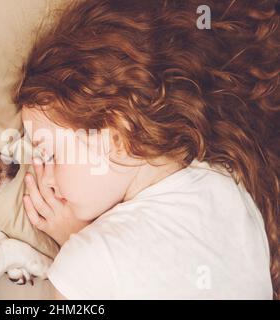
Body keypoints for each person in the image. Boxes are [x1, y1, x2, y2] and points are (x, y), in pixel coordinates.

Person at [15, 0, 279, 299]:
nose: (44, 177)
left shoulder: (89, 264)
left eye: (49, 154)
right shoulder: (230, 184)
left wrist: (78, 243)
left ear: (114, 133)